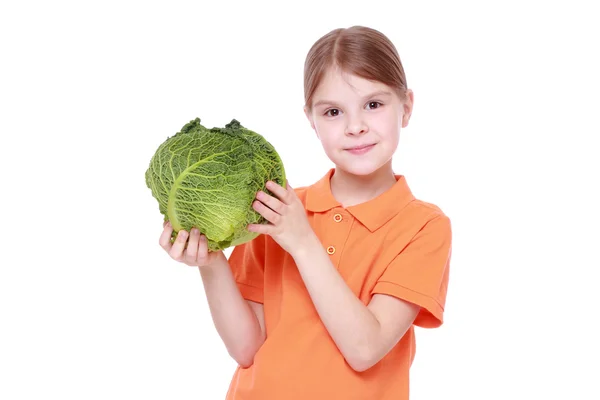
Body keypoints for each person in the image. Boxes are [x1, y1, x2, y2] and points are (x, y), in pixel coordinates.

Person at [159, 25, 452, 400]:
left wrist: (302, 242)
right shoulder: (275, 208)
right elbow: (246, 348)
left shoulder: (423, 227)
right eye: (333, 112)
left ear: (406, 107)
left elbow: (365, 349)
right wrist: (211, 261)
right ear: (311, 120)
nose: (356, 126)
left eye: (374, 105)